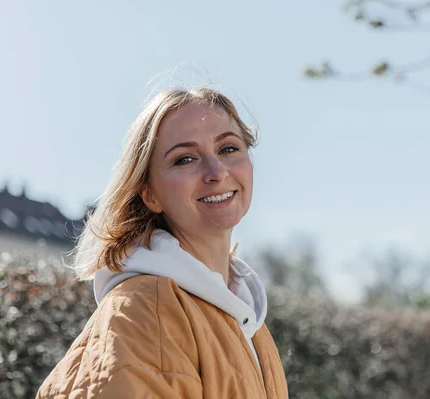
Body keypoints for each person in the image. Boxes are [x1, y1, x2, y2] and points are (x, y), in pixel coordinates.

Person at [36, 87, 289, 398]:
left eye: (228, 149)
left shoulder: (249, 322)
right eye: (185, 159)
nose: (217, 172)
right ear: (150, 194)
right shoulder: (144, 311)